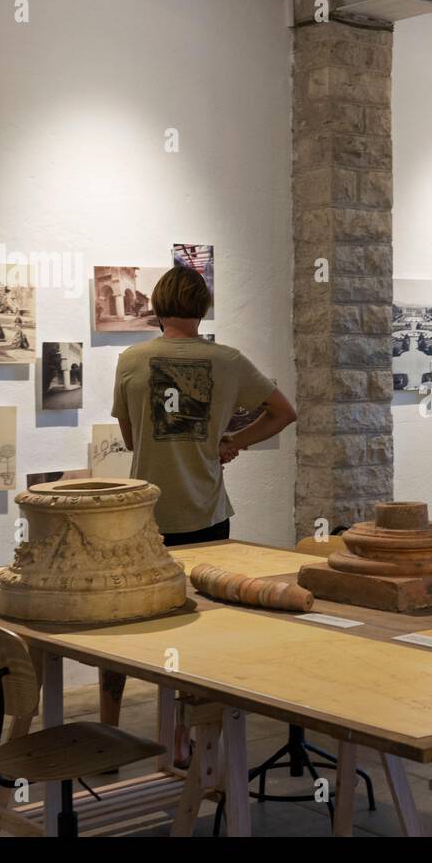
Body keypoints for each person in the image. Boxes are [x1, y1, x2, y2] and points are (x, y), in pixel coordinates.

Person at [102, 266, 296, 750]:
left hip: (145, 518)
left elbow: (130, 438)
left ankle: (107, 731)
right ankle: (188, 737)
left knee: (122, 623)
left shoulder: (132, 359)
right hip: (207, 514)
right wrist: (231, 441)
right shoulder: (227, 360)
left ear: (159, 305)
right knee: (202, 629)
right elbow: (284, 412)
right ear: (203, 307)